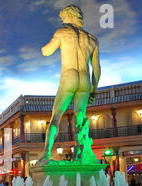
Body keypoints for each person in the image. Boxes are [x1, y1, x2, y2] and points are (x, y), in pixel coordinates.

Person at [36, 5, 101, 165]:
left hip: (69, 76)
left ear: (69, 17)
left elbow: (47, 51)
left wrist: (43, 47)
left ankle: (45, 155)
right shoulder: (92, 39)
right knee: (81, 117)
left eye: (63, 18)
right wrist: (94, 89)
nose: (63, 21)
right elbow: (97, 69)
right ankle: (82, 155)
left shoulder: (62, 33)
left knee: (56, 116)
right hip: (85, 79)